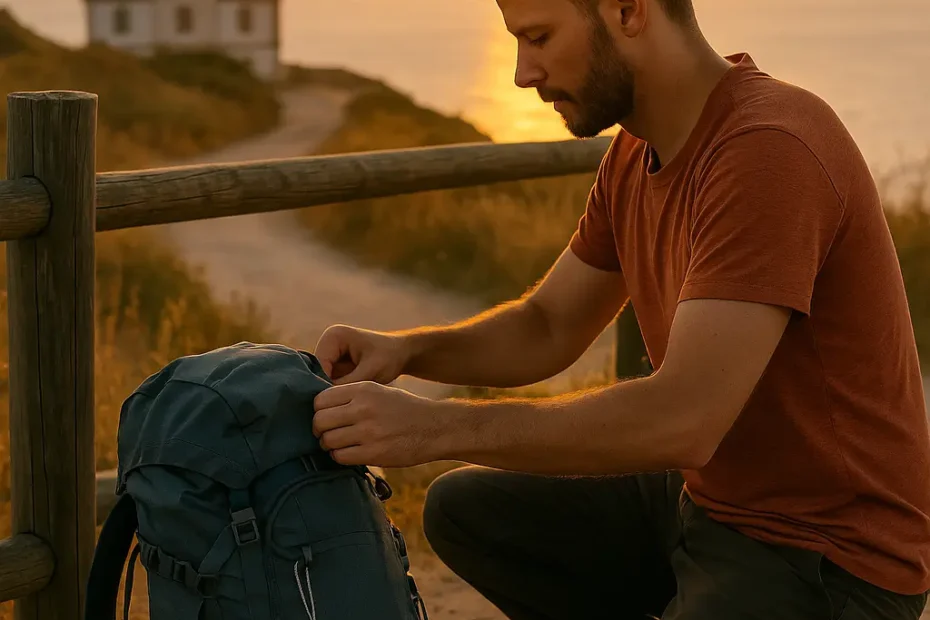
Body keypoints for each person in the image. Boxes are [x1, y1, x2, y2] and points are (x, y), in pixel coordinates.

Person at [310, 0, 930, 617]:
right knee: (468, 511)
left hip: (827, 550)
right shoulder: (634, 151)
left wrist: (433, 429)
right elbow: (547, 326)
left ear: (630, 11)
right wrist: (407, 350)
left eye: (540, 37)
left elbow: (684, 419)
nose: (523, 73)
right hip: (708, 498)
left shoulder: (769, 147)